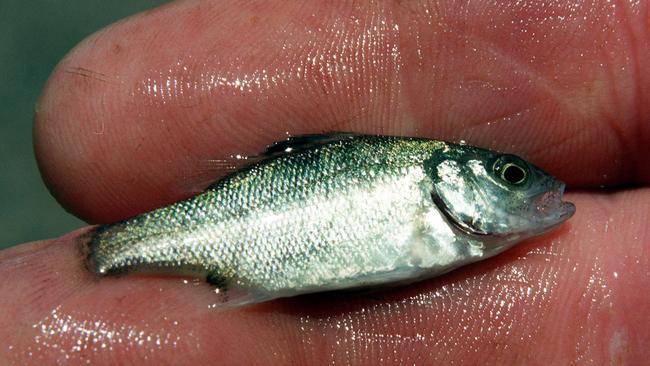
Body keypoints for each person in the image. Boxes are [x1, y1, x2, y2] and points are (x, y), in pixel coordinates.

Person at [1, 1, 648, 364]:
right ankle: (110, 253)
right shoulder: (425, 182)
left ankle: (108, 254)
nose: (530, 188)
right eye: (509, 177)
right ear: (455, 180)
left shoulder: (441, 201)